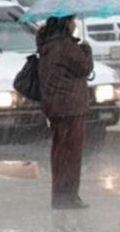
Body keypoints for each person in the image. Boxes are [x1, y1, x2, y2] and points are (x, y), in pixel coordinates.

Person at [37, 15, 93, 209]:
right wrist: (86, 50)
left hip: (55, 106)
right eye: (72, 21)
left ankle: (59, 194)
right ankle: (68, 196)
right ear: (66, 24)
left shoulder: (47, 44)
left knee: (60, 152)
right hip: (71, 107)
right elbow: (84, 68)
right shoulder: (66, 46)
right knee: (72, 153)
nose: (75, 24)